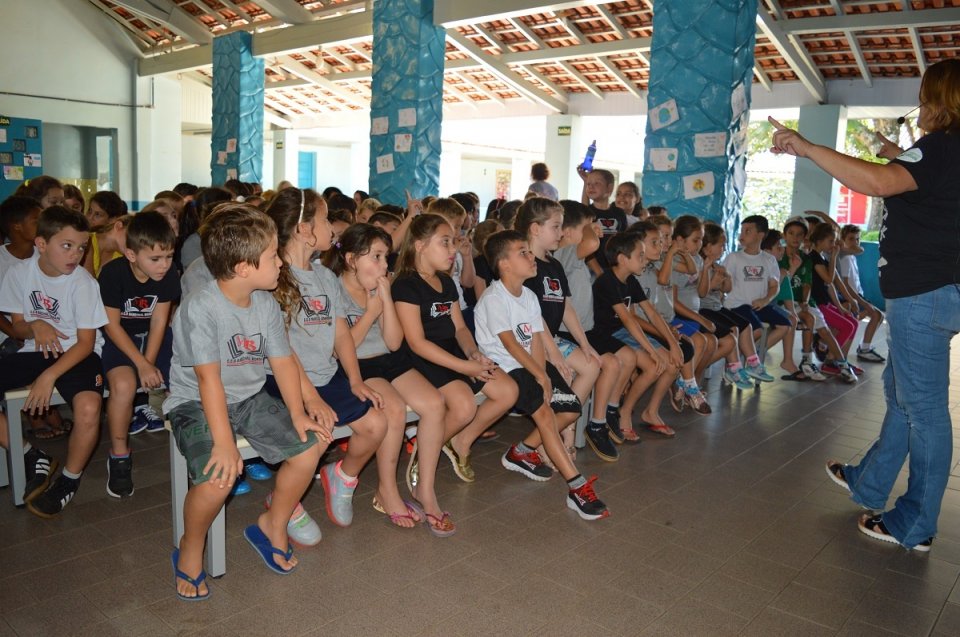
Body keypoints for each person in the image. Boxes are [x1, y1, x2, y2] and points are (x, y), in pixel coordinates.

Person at [771, 58, 960, 551]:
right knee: (903, 395)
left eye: (925, 96)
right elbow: (926, 190)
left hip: (924, 294)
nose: (920, 104)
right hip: (938, 291)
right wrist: (899, 154)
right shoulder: (940, 153)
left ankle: (914, 524)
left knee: (924, 412)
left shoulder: (941, 147)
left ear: (941, 100)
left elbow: (877, 183)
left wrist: (807, 146)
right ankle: (869, 483)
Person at [163, 204, 324, 600]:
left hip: (248, 397)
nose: (281, 263)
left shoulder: (265, 302)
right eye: (273, 256)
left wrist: (300, 413)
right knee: (220, 477)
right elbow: (207, 380)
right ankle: (190, 546)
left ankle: (273, 523)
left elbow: (283, 362)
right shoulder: (200, 307)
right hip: (195, 401)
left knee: (310, 447)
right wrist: (223, 441)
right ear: (242, 267)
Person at [264, 187, 386, 532]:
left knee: (377, 423)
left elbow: (341, 333)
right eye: (323, 218)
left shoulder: (325, 276)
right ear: (304, 230)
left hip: (324, 376)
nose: (332, 226)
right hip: (283, 382)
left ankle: (341, 477)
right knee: (317, 437)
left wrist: (355, 379)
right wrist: (310, 398)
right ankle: (284, 502)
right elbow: (282, 350)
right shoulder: (275, 278)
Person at [392, 214, 518, 535]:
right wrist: (465, 366)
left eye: (453, 241)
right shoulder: (406, 285)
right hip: (423, 359)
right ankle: (426, 487)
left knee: (506, 388)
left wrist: (474, 352)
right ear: (420, 246)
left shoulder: (446, 282)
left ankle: (432, 449)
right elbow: (416, 343)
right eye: (445, 242)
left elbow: (460, 328)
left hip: (452, 353)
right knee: (463, 405)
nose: (453, 249)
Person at [475, 230, 609, 520]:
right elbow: (510, 344)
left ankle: (521, 452)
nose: (530, 256)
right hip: (506, 367)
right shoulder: (494, 298)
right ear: (504, 264)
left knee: (570, 409)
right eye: (522, 252)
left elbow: (536, 338)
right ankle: (577, 487)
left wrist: (543, 374)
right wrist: (539, 376)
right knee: (546, 416)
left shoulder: (529, 295)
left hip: (529, 364)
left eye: (528, 250)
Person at [329, 223, 447, 529]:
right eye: (377, 257)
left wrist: (384, 299)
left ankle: (426, 487)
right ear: (352, 259)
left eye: (386, 257)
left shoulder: (381, 287)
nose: (384, 266)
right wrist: (369, 312)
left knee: (434, 403)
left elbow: (394, 342)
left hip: (389, 359)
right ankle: (387, 490)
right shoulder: (333, 290)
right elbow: (340, 349)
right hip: (357, 365)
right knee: (392, 408)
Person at [0, 206, 107, 518]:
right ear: (41, 244)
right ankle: (30, 454)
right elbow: (17, 325)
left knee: (88, 409)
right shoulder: (19, 273)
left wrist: (49, 376)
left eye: (81, 247)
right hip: (34, 350)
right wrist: (35, 326)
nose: (75, 255)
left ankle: (69, 481)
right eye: (67, 245)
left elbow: (87, 343)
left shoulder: (83, 282)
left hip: (77, 353)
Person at [98, 212, 179, 497]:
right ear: (131, 254)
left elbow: (159, 322)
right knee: (123, 385)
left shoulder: (169, 275)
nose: (164, 265)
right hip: (121, 339)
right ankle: (120, 455)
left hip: (156, 338)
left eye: (169, 256)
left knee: (184, 382)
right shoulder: (112, 274)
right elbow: (112, 325)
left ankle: (192, 448)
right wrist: (141, 364)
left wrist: (150, 362)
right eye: (155, 259)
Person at [586, 232, 682, 441]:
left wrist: (673, 344)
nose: (645, 259)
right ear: (622, 259)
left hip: (621, 331)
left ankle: (643, 411)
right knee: (653, 365)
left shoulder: (630, 280)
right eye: (640, 255)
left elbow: (652, 314)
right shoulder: (607, 281)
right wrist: (651, 350)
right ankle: (623, 412)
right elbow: (628, 320)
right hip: (604, 333)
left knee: (671, 362)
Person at [721, 214, 790, 382]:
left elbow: (774, 287)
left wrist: (765, 300)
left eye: (748, 231)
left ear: (760, 235)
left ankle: (753, 355)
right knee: (757, 329)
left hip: (759, 305)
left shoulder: (769, 259)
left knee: (785, 324)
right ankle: (748, 363)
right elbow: (724, 284)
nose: (742, 235)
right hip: (737, 305)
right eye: (742, 231)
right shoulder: (734, 257)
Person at [837, 224, 886, 363]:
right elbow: (845, 284)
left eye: (857, 239)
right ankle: (863, 348)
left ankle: (864, 347)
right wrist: (861, 301)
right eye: (851, 239)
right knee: (875, 315)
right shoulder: (845, 258)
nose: (855, 242)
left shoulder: (852, 256)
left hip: (857, 295)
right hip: (851, 296)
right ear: (843, 240)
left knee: (877, 316)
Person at [579, 168, 626, 275]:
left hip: (615, 268)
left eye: (597, 183)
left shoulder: (619, 213)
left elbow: (624, 242)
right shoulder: (589, 213)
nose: (591, 186)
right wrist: (599, 272)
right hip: (592, 268)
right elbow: (583, 211)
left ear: (609, 188)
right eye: (588, 184)